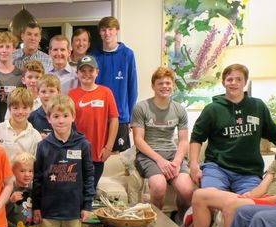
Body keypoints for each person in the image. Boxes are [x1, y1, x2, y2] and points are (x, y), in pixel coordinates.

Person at [189, 64, 276, 195]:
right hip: (217, 169)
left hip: (249, 172)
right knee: (209, 197)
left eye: (239, 79)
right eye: (229, 79)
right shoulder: (212, 109)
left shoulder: (258, 106)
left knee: (249, 205)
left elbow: (275, 134)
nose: (234, 83)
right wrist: (193, 165)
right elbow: (196, 138)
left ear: (245, 82)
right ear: (223, 82)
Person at [33, 94, 96, 227]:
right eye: (56, 116)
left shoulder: (83, 144)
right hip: (50, 208)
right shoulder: (43, 146)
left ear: (73, 117)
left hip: (73, 208)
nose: (61, 121)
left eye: (65, 116)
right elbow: (37, 178)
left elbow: (89, 176)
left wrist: (87, 206)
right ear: (49, 119)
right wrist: (37, 207)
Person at [130, 67, 193, 212]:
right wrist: (160, 161)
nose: (165, 86)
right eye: (160, 83)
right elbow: (138, 140)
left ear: (173, 86)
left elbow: (183, 141)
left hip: (172, 153)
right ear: (153, 86)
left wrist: (176, 162)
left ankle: (181, 223)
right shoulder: (141, 107)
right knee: (158, 187)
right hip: (148, 155)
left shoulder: (180, 109)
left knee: (186, 190)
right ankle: (155, 225)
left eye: (168, 83)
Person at [68, 55, 119, 187]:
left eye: (90, 70)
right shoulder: (71, 95)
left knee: (90, 191)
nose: (87, 74)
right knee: (75, 191)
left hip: (97, 153)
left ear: (97, 72)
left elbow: (114, 120)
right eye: (83, 71)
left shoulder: (106, 92)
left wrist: (109, 147)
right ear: (77, 73)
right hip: (76, 153)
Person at [90, 16, 137, 152]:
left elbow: (132, 87)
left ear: (117, 31)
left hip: (121, 116)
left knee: (121, 159)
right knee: (98, 154)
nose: (107, 33)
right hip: (98, 115)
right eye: (103, 30)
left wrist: (130, 117)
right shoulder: (94, 55)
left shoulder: (127, 54)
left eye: (110, 29)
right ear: (100, 33)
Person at [3, 152, 38, 227]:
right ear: (13, 171)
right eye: (22, 171)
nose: (27, 174)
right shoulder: (9, 189)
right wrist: (10, 201)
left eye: (30, 171)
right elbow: (1, 213)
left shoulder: (35, 190)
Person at [0, 87, 43, 159]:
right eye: (16, 108)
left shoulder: (35, 136)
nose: (20, 112)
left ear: (31, 109)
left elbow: (35, 164)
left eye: (24, 108)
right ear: (9, 109)